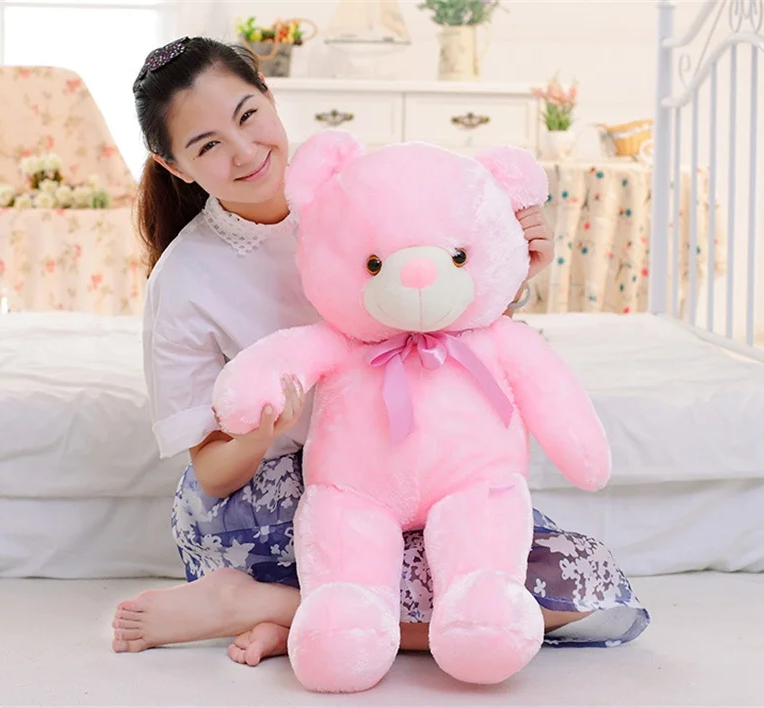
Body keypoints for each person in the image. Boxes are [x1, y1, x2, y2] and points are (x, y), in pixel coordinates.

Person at [112, 37, 649, 666]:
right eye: (208, 146)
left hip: (410, 466)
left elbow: (437, 317)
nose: (245, 151)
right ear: (174, 165)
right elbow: (211, 470)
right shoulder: (185, 279)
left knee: (584, 584)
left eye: (247, 115)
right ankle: (254, 599)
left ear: (268, 95)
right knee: (475, 595)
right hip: (275, 497)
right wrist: (261, 432)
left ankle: (281, 613)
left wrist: (513, 270)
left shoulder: (358, 193)